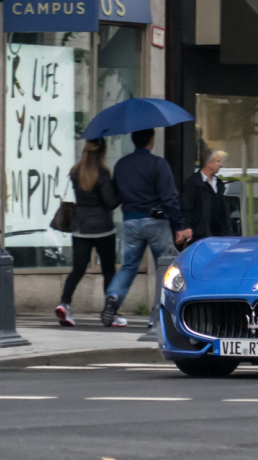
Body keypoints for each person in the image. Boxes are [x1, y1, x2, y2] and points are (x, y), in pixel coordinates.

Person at [100, 128, 192, 327]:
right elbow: (170, 198)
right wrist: (179, 226)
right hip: (155, 222)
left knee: (128, 266)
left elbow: (116, 194)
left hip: (130, 221)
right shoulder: (158, 164)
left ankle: (113, 297)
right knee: (167, 268)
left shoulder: (121, 165)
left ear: (133, 140)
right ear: (150, 140)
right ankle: (158, 314)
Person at [57, 138, 121, 327]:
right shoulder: (102, 173)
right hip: (103, 228)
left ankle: (65, 304)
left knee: (77, 269)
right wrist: (119, 191)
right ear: (103, 152)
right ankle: (110, 313)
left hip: (80, 227)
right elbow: (110, 202)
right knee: (109, 270)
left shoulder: (75, 171)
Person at [180, 148, 233, 243]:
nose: (220, 165)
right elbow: (186, 207)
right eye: (218, 161)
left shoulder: (219, 183)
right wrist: (187, 226)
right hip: (201, 236)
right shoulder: (193, 183)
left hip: (220, 236)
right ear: (209, 163)